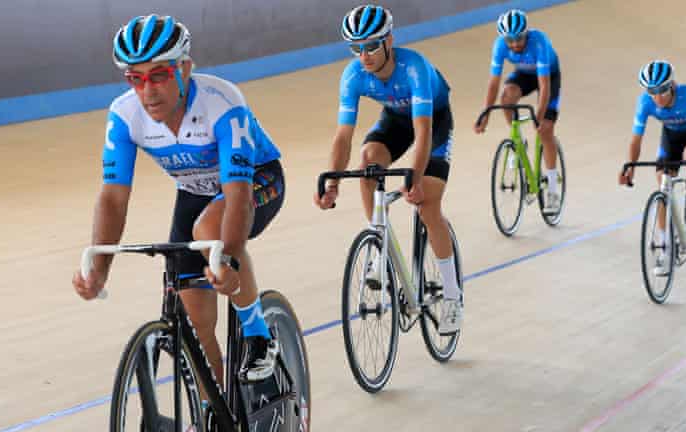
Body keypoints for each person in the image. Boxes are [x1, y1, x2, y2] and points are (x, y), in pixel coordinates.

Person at [72, 14, 286, 386]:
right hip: (195, 192)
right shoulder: (124, 116)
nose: (147, 90)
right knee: (195, 327)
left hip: (257, 180)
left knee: (209, 229)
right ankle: (215, 420)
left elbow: (236, 198)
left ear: (185, 68)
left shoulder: (221, 102)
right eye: (135, 78)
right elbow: (112, 199)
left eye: (159, 75)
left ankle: (258, 335)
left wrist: (230, 262)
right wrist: (100, 269)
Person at [316, 4, 462, 334]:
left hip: (433, 122)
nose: (364, 55)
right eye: (356, 48)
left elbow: (423, 131)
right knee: (367, 163)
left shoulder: (415, 69)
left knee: (427, 206)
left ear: (389, 41)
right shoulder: (353, 76)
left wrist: (415, 177)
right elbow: (344, 136)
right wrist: (333, 180)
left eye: (370, 46)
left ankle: (453, 296)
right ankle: (378, 245)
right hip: (396, 121)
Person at [618, 60, 686, 274]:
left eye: (661, 90)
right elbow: (636, 140)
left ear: (672, 85)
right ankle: (665, 248)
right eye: (652, 91)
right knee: (663, 183)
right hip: (671, 137)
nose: (657, 97)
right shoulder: (645, 102)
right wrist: (630, 167)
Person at [474, 9, 563, 211]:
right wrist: (485, 114)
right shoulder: (499, 46)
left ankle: (552, 188)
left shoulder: (539, 42)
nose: (515, 44)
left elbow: (545, 86)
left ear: (526, 33)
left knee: (545, 129)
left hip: (548, 77)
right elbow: (493, 84)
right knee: (506, 97)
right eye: (510, 40)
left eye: (519, 38)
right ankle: (517, 140)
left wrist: (538, 117)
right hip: (523, 75)